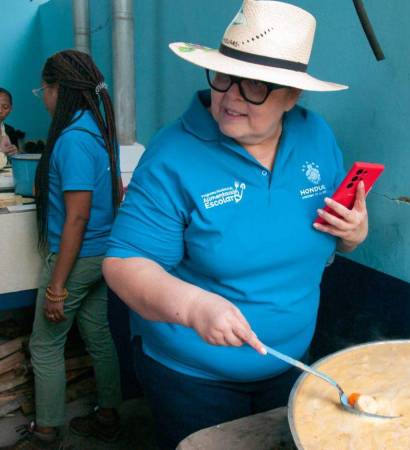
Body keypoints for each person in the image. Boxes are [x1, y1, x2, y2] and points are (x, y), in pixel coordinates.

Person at [104, 1, 369, 449]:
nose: (230, 97)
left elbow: (333, 237)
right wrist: (194, 307)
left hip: (292, 364)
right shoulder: (173, 156)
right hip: (194, 380)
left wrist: (354, 233)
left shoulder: (317, 136)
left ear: (292, 95)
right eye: (223, 76)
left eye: (255, 87)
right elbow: (125, 264)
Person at [2, 50, 122, 450]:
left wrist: (56, 285)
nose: (42, 97)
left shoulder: (71, 139)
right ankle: (108, 417)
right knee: (99, 335)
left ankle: (47, 430)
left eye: (43, 89)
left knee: (46, 344)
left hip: (77, 256)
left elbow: (76, 218)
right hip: (103, 253)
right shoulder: (99, 131)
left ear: (59, 89)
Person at [0, 87, 24, 156]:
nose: (0, 111)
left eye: (5, 107)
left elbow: (15, 160)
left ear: (10, 109)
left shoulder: (10, 131)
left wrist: (15, 153)